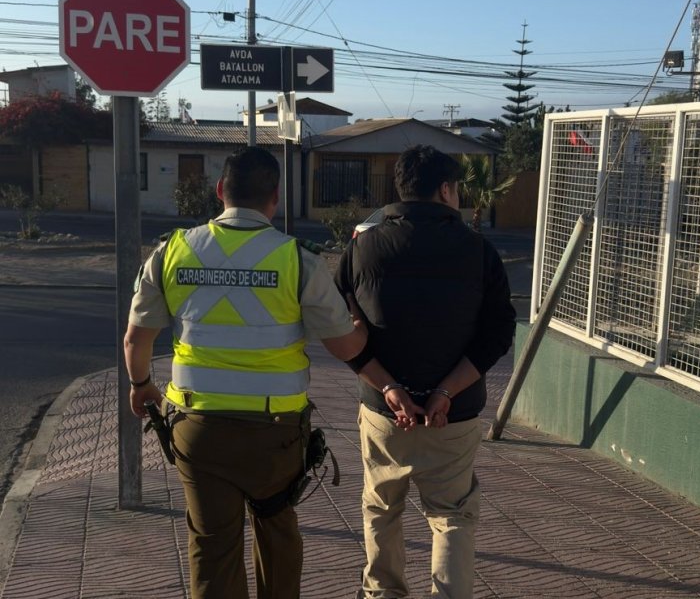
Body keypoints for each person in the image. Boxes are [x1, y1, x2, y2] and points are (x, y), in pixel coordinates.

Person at [124, 147, 367, 599]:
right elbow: (347, 348)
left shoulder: (172, 251)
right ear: (275, 198)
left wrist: (141, 386)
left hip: (197, 429)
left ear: (220, 190)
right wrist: (359, 324)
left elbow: (135, 340)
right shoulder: (299, 260)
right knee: (277, 528)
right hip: (275, 436)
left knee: (212, 544)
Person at [335, 144, 516, 599]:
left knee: (381, 508)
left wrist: (389, 386)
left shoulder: (361, 249)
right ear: (446, 189)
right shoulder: (479, 251)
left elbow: (338, 329)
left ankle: (383, 594)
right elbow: (498, 333)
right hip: (452, 416)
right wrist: (446, 391)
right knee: (452, 515)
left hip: (384, 412)